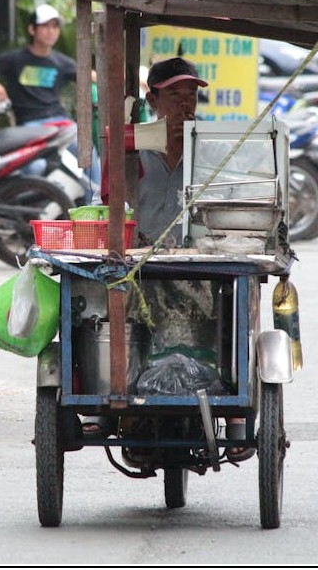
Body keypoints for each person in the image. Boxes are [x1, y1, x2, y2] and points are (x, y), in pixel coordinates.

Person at [92, 56, 251, 461]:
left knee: (233, 302)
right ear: (153, 99)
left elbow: (229, 200)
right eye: (174, 96)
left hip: (199, 258)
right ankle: (110, 401)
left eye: (192, 96)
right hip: (141, 259)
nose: (185, 104)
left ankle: (235, 412)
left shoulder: (210, 149)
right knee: (105, 306)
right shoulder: (133, 146)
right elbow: (112, 203)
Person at [0, 4, 100, 199]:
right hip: (29, 126)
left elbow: (91, 76)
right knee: (34, 167)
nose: (51, 31)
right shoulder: (15, 58)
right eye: (45, 26)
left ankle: (95, 205)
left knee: (87, 151)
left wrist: (128, 78)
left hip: (61, 123)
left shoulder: (61, 62)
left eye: (55, 26)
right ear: (32, 29)